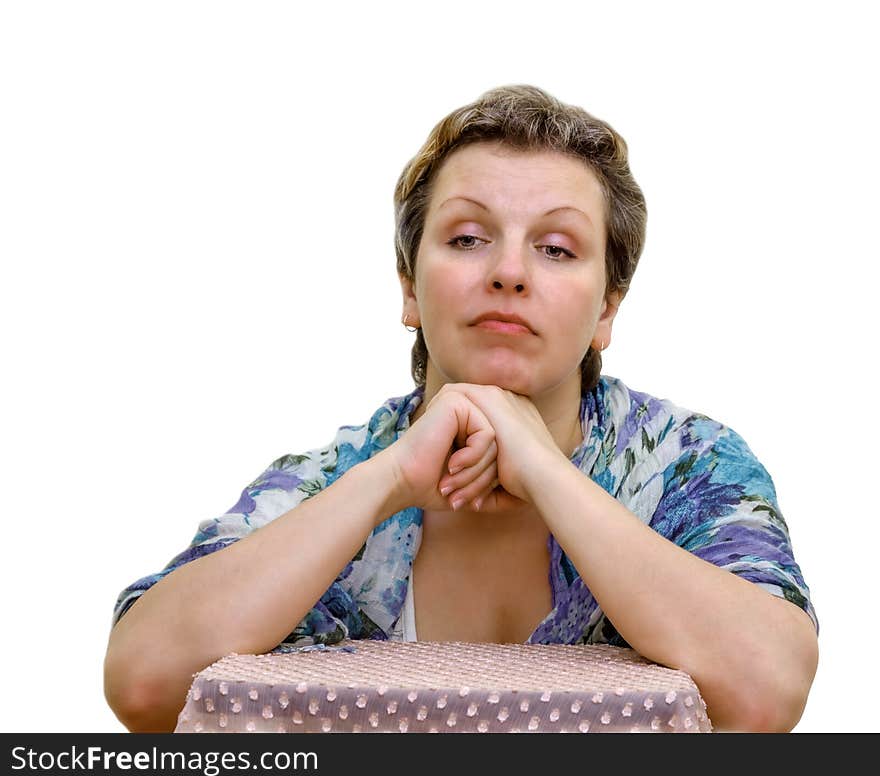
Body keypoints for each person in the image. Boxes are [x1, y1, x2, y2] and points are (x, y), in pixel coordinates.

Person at [103, 85, 819, 734]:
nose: (508, 272)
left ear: (606, 309)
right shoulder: (334, 477)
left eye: (557, 248)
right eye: (469, 238)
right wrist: (388, 481)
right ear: (410, 288)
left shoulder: (688, 465)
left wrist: (542, 467)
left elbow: (766, 692)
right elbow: (144, 682)